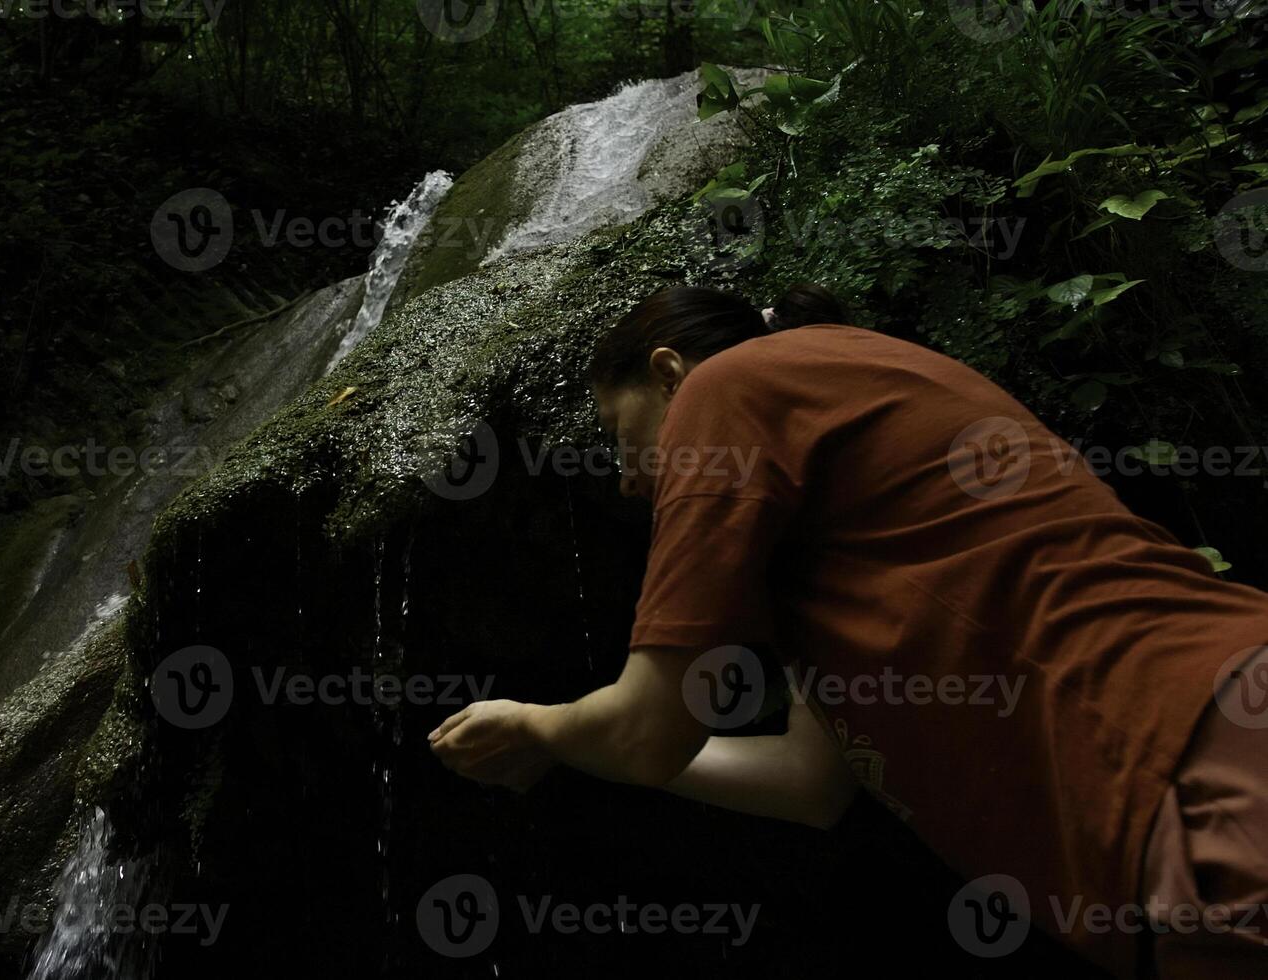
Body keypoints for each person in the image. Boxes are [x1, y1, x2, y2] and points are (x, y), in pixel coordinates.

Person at [428, 284, 1268, 977]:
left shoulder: (730, 388)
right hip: (1187, 786)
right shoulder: (846, 460)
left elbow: (649, 730)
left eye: (622, 437)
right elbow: (809, 781)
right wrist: (576, 742)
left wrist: (545, 721)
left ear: (670, 372)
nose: (624, 479)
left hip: (1183, 751)